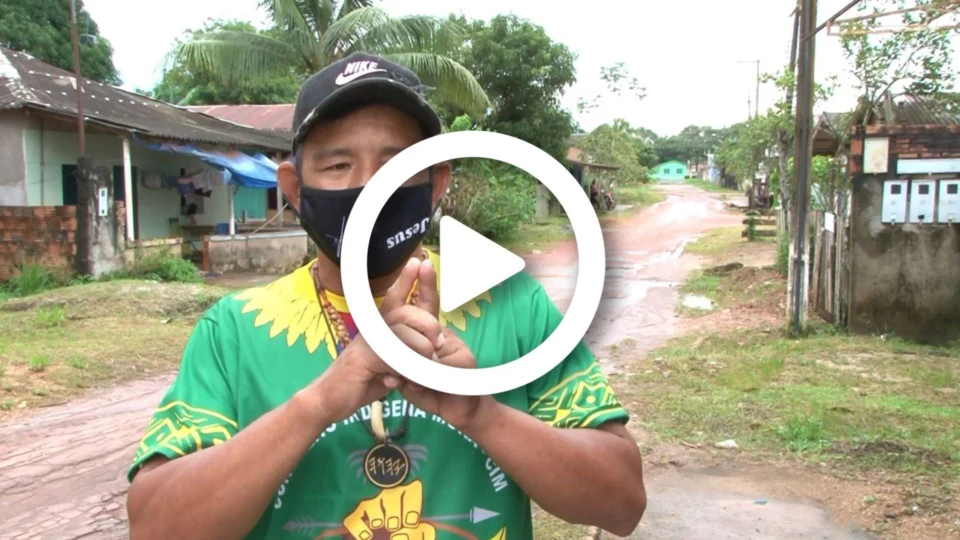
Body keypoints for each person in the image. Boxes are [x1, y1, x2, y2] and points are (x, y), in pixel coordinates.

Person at [125, 52, 646, 540]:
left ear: (435, 182)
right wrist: (315, 406)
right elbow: (154, 527)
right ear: (295, 189)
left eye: (396, 165)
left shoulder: (510, 304)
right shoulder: (235, 331)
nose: (370, 189)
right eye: (338, 166)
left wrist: (482, 415)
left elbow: (622, 502)